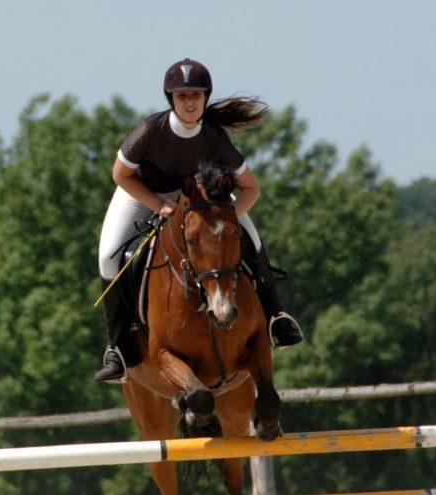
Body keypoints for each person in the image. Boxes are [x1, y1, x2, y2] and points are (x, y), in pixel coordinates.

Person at [94, 57, 304, 383]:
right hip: (143, 191)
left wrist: (227, 220)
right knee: (109, 257)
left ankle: (277, 317)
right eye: (182, 96)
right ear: (171, 99)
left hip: (199, 201)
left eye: (195, 95)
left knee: (251, 240)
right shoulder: (149, 131)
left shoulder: (214, 138)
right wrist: (158, 205)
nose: (189, 103)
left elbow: (251, 188)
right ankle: (117, 346)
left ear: (205, 97)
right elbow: (121, 174)